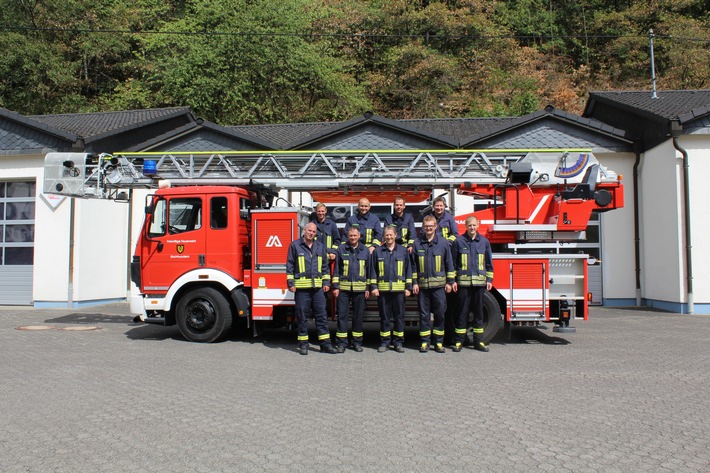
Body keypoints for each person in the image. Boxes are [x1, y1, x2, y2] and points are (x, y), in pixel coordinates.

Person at [286, 222, 336, 355]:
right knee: (302, 317)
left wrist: (326, 282)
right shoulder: (295, 245)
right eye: (309, 231)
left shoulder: (320, 246)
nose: (311, 233)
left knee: (322, 316)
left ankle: (325, 345)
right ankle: (303, 344)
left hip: (318, 289)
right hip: (302, 290)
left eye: (314, 232)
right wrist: (290, 283)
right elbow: (290, 264)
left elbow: (325, 266)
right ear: (304, 231)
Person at [412, 215, 455, 353]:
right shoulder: (417, 243)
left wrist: (450, 282)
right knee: (423, 315)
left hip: (439, 287)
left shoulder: (443, 243)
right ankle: (425, 342)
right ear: (423, 228)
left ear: (436, 226)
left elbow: (449, 263)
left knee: (440, 314)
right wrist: (414, 283)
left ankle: (438, 343)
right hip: (423, 287)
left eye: (431, 226)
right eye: (426, 226)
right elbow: (413, 266)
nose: (429, 228)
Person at [451, 216, 494, 352]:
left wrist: (489, 280)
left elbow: (488, 263)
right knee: (462, 313)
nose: (472, 228)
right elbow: (452, 263)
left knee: (479, 314)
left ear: (478, 225)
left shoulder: (484, 242)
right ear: (466, 226)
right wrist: (452, 281)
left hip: (479, 284)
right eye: (470, 225)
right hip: (463, 284)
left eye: (474, 225)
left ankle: (478, 341)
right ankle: (459, 341)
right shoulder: (458, 242)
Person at [371, 226, 412, 353]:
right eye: (386, 235)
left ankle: (398, 343)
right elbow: (373, 270)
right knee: (384, 317)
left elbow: (408, 270)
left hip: (399, 291)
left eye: (391, 235)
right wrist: (374, 287)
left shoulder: (403, 251)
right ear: (384, 236)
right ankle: (385, 342)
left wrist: (408, 287)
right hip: (383, 291)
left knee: (399, 317)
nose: (389, 237)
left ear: (396, 235)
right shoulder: (378, 251)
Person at [331, 226, 371, 353]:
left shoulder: (365, 250)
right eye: (351, 236)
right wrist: (336, 287)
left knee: (358, 317)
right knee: (342, 316)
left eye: (355, 235)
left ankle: (356, 342)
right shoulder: (341, 249)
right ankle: (341, 343)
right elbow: (336, 269)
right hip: (343, 289)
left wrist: (368, 287)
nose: (353, 238)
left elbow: (369, 271)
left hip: (360, 289)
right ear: (347, 236)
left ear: (359, 236)